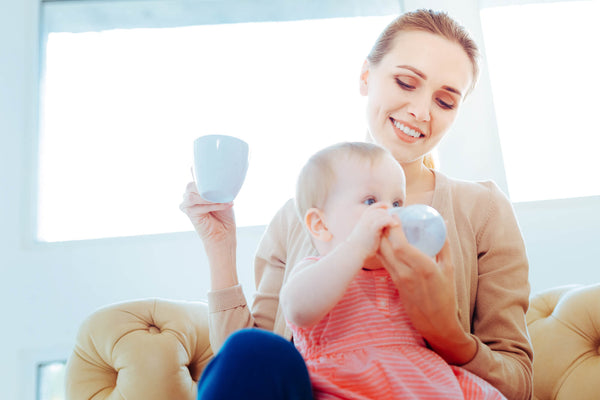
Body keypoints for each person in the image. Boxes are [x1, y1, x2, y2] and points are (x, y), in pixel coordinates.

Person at [180, 9, 533, 400]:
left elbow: (517, 383)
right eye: (405, 82)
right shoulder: (299, 216)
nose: (421, 111)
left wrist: (445, 332)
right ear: (366, 77)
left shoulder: (481, 210)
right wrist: (220, 246)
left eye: (445, 101)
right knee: (253, 351)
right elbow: (252, 366)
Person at [280, 141, 505, 399]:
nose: (390, 213)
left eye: (397, 203)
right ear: (320, 224)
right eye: (370, 200)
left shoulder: (402, 272)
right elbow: (297, 310)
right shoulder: (315, 271)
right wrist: (356, 245)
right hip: (345, 385)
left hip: (421, 382)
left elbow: (438, 315)